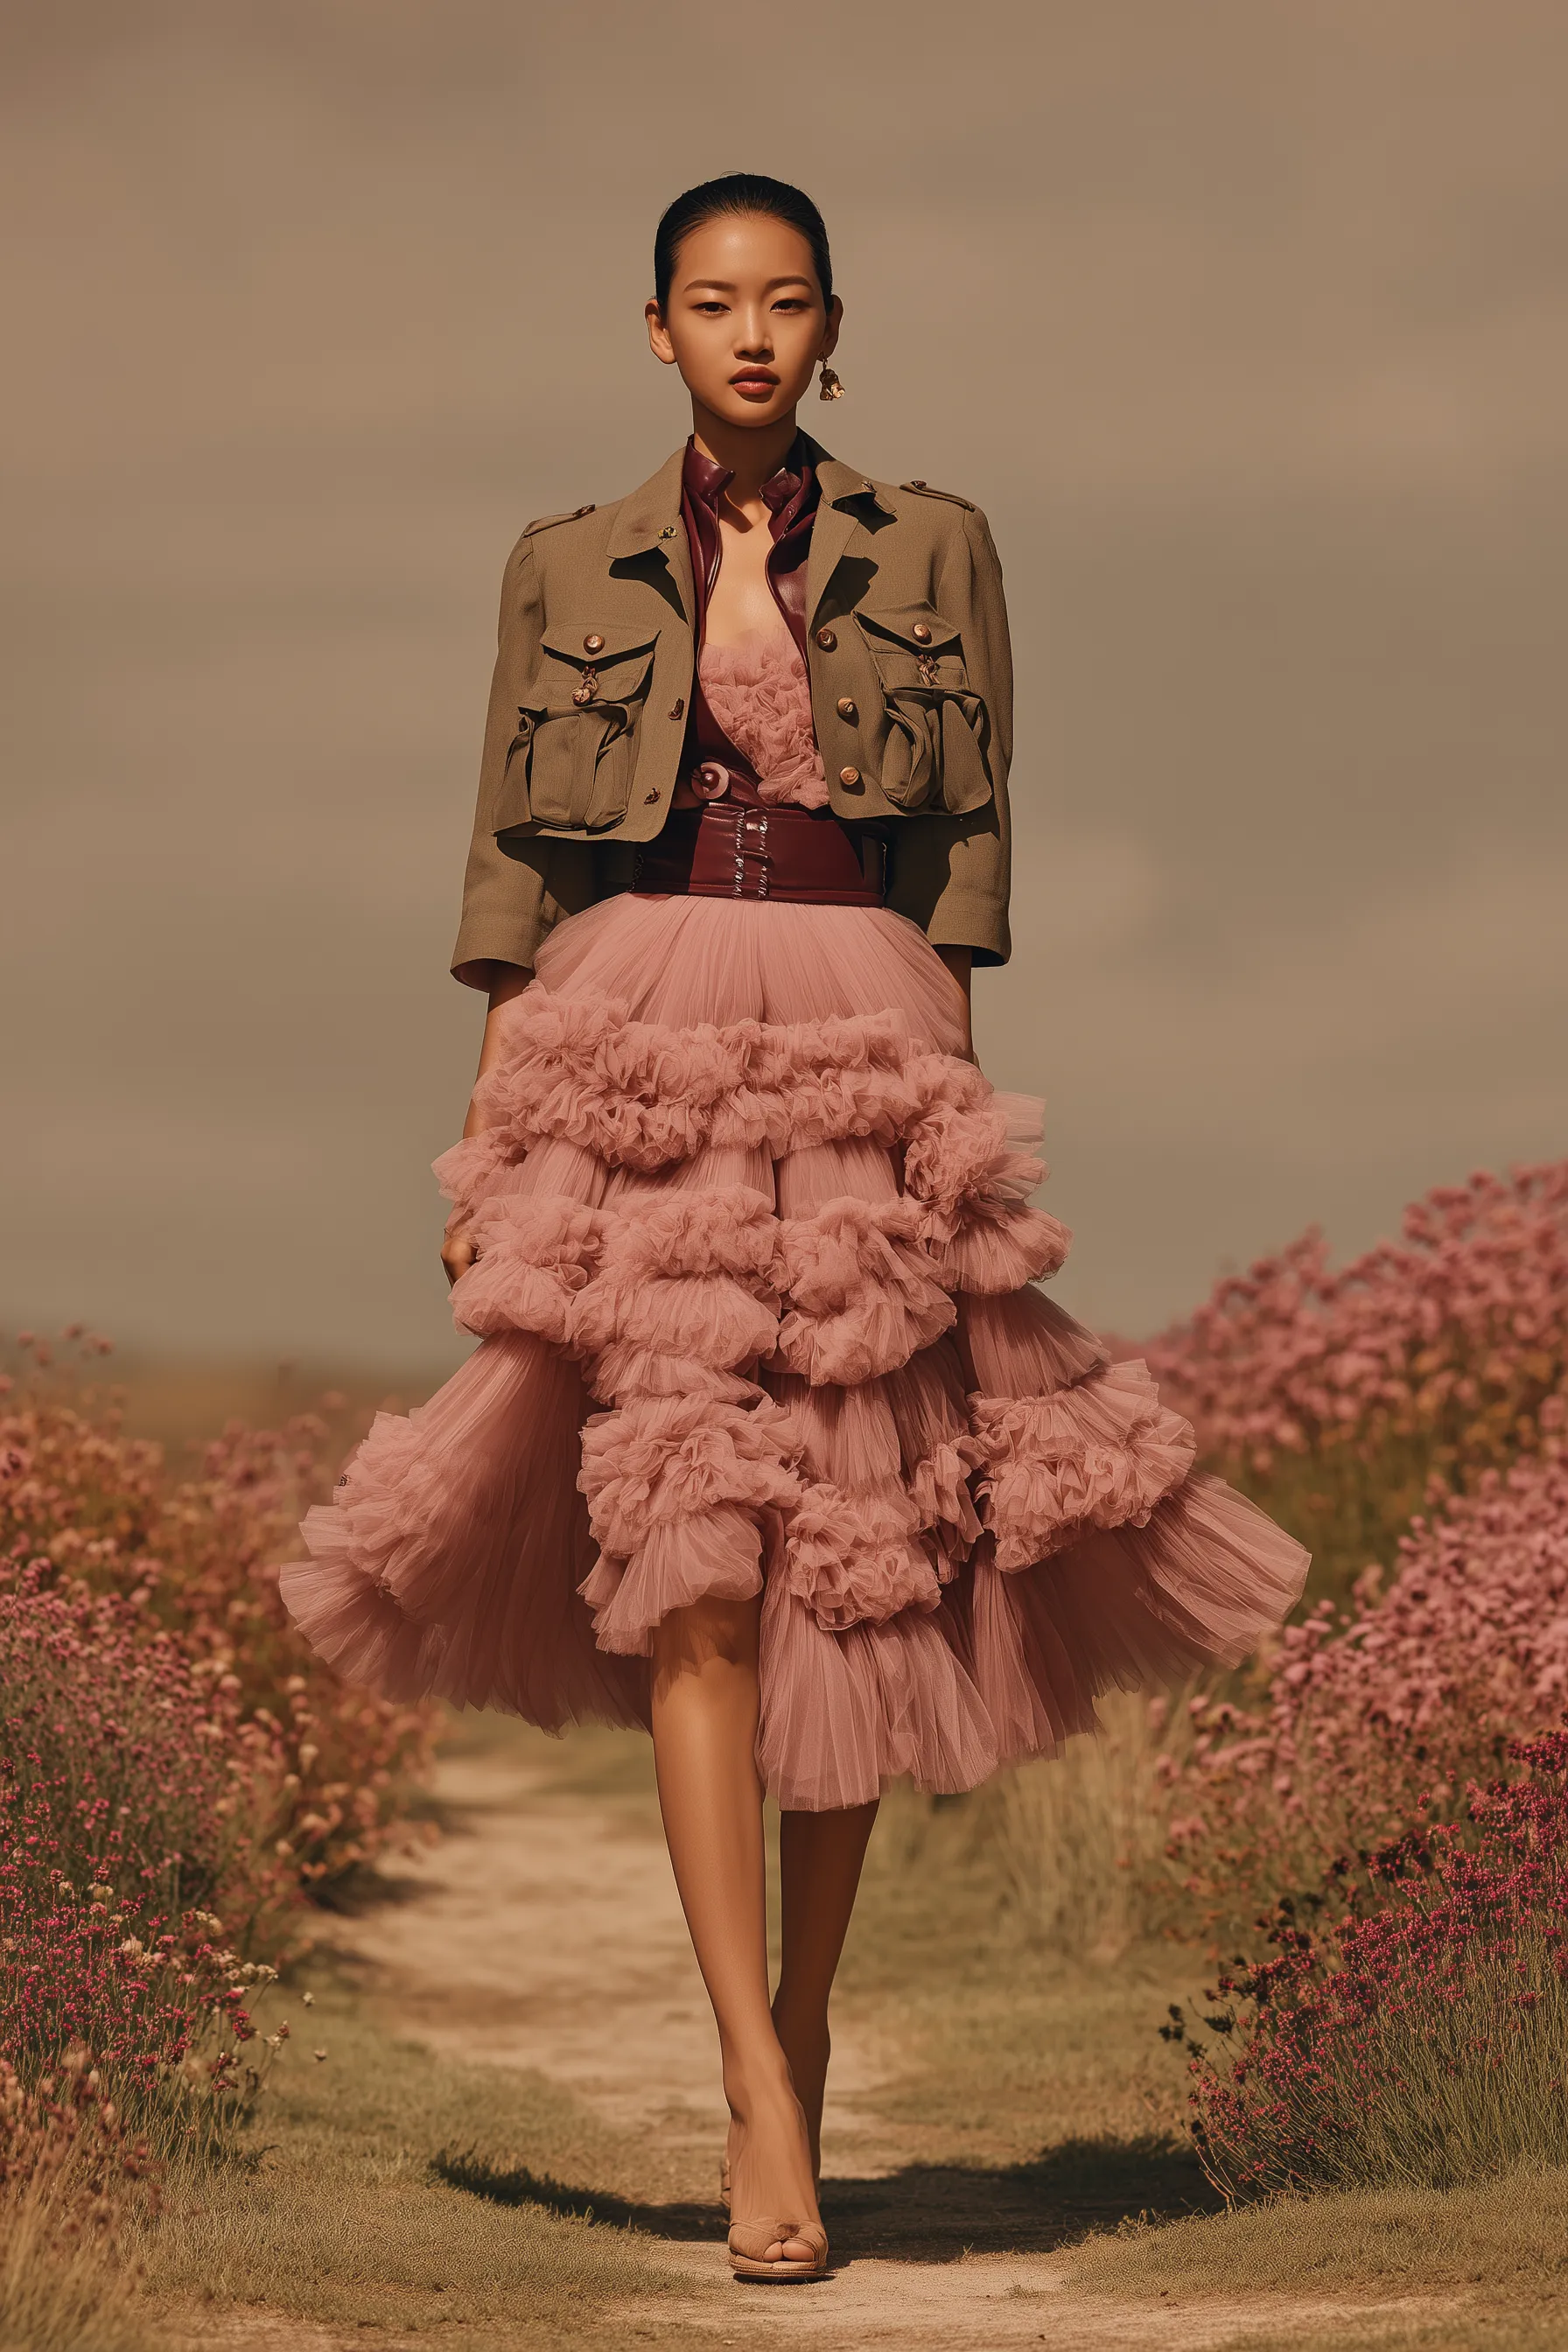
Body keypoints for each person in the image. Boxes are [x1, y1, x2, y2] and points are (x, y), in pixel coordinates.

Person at [281, 173, 1307, 2286]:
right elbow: (511, 860)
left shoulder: (932, 544)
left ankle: (807, 2017)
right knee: (693, 1565)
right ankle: (748, 2072)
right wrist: (489, 1130)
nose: (747, 334)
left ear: (830, 327)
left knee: (850, 1566)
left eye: (782, 302)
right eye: (708, 301)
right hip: (633, 1047)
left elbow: (968, 845)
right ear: (653, 328)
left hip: (860, 1040)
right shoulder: (564, 560)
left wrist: (946, 1112)